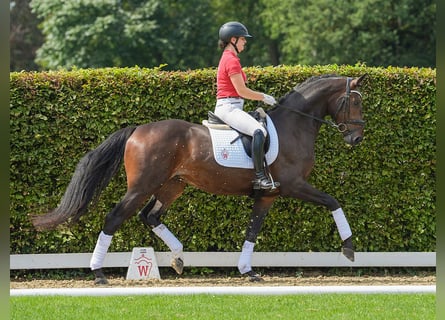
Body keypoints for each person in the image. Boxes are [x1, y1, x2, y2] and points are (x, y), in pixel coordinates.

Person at [215, 21, 278, 190]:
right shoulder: (231, 60)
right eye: (243, 39)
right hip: (229, 107)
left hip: (233, 106)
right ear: (233, 40)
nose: (245, 42)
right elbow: (241, 91)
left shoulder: (232, 58)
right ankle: (259, 178)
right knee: (259, 131)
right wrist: (263, 97)